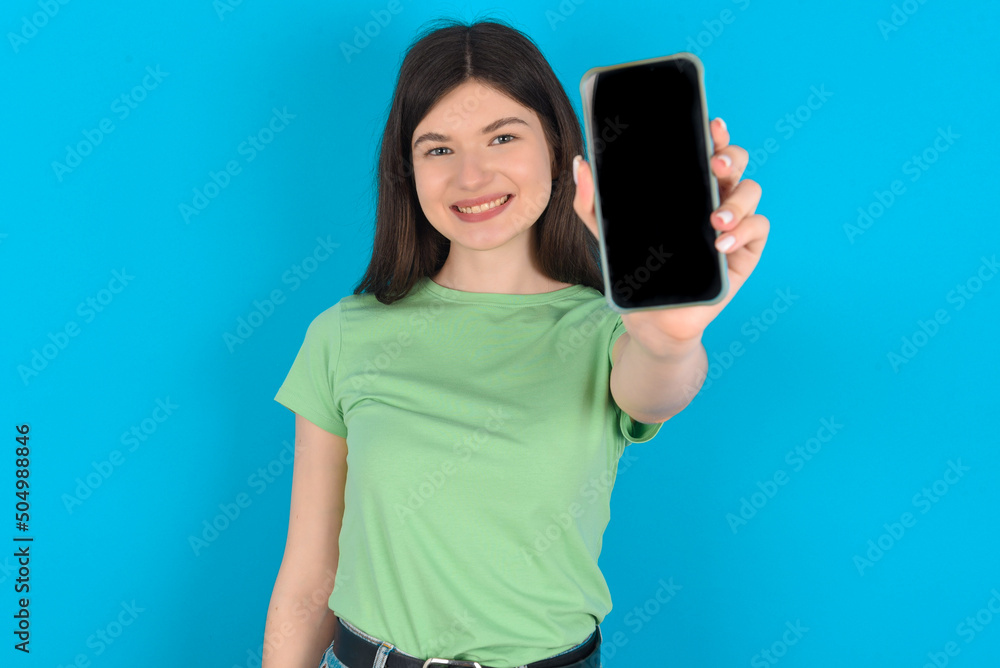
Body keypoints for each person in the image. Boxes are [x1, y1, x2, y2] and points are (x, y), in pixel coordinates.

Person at [262, 17, 768, 668]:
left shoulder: (610, 332)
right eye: (438, 148)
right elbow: (308, 582)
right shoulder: (342, 334)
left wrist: (668, 337)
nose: (471, 176)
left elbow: (656, 388)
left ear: (558, 148)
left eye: (502, 137)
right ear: (407, 170)